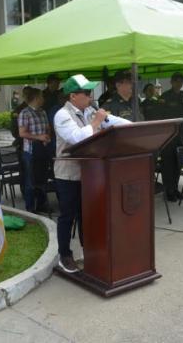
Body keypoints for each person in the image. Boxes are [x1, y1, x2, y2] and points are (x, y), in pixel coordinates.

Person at [53, 74, 130, 273]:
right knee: (67, 216)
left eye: (90, 92)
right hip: (68, 175)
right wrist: (96, 121)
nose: (91, 96)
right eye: (86, 93)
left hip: (89, 174)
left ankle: (90, 253)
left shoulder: (89, 111)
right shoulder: (62, 115)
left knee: (85, 216)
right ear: (72, 96)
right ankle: (65, 255)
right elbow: (77, 138)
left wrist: (134, 127)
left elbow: (114, 121)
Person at [156, 72, 183, 201]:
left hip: (180, 135)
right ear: (172, 82)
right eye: (177, 81)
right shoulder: (165, 97)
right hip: (168, 137)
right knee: (168, 165)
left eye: (181, 81)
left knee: (177, 165)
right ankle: (168, 190)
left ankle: (175, 188)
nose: (179, 84)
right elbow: (159, 118)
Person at [18, 87, 50, 212]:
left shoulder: (43, 112)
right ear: (36, 98)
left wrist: (48, 136)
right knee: (30, 182)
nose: (43, 99)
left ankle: (42, 205)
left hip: (43, 149)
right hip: (30, 152)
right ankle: (30, 209)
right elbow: (22, 133)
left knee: (42, 179)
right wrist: (39, 137)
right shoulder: (24, 113)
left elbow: (47, 128)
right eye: (41, 96)